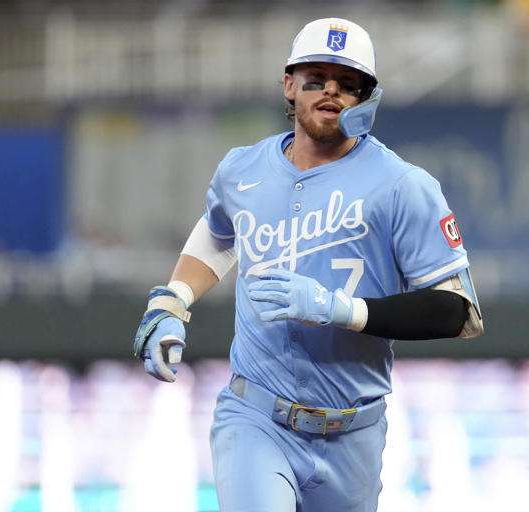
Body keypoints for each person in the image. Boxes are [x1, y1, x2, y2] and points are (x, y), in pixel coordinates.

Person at [133, 17, 484, 512]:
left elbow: (455, 310)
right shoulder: (242, 169)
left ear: (368, 98)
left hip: (353, 430)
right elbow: (219, 233)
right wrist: (174, 299)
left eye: (348, 84)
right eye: (316, 79)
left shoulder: (404, 185)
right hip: (255, 415)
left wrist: (345, 310)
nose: (331, 92)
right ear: (290, 85)